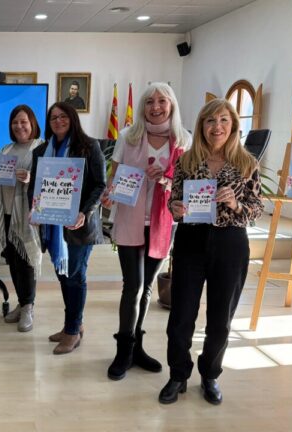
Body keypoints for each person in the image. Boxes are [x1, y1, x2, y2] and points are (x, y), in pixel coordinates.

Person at [158, 99, 262, 405]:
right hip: (191, 239)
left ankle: (210, 374)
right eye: (209, 121)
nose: (216, 127)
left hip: (230, 243)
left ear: (233, 126)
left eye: (223, 121)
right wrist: (175, 207)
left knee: (221, 318)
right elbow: (174, 201)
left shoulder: (247, 163)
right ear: (201, 126)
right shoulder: (187, 161)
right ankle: (178, 374)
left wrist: (235, 204)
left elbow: (255, 210)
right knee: (181, 314)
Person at [101, 82, 192, 380]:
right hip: (130, 218)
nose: (156, 106)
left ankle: (137, 347)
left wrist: (165, 182)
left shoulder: (184, 140)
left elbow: (187, 185)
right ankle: (123, 350)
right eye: (150, 101)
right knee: (133, 285)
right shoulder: (129, 135)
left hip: (163, 221)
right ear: (142, 106)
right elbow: (113, 177)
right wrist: (108, 193)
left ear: (172, 105)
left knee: (148, 287)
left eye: (162, 101)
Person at [28, 102, 106, 355]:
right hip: (52, 225)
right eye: (53, 118)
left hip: (78, 226)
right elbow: (35, 188)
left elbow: (100, 185)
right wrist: (35, 209)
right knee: (64, 276)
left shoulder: (89, 146)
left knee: (75, 276)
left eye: (63, 117)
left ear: (72, 118)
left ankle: (73, 331)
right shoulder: (41, 151)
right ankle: (72, 325)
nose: (58, 121)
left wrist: (85, 212)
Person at [0, 105, 44, 332]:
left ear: (32, 123)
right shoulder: (6, 149)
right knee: (14, 261)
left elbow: (48, 179)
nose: (19, 126)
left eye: (23, 122)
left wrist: (31, 178)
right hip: (6, 213)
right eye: (15, 122)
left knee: (27, 259)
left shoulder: (41, 148)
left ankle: (29, 306)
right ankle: (22, 302)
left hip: (28, 216)